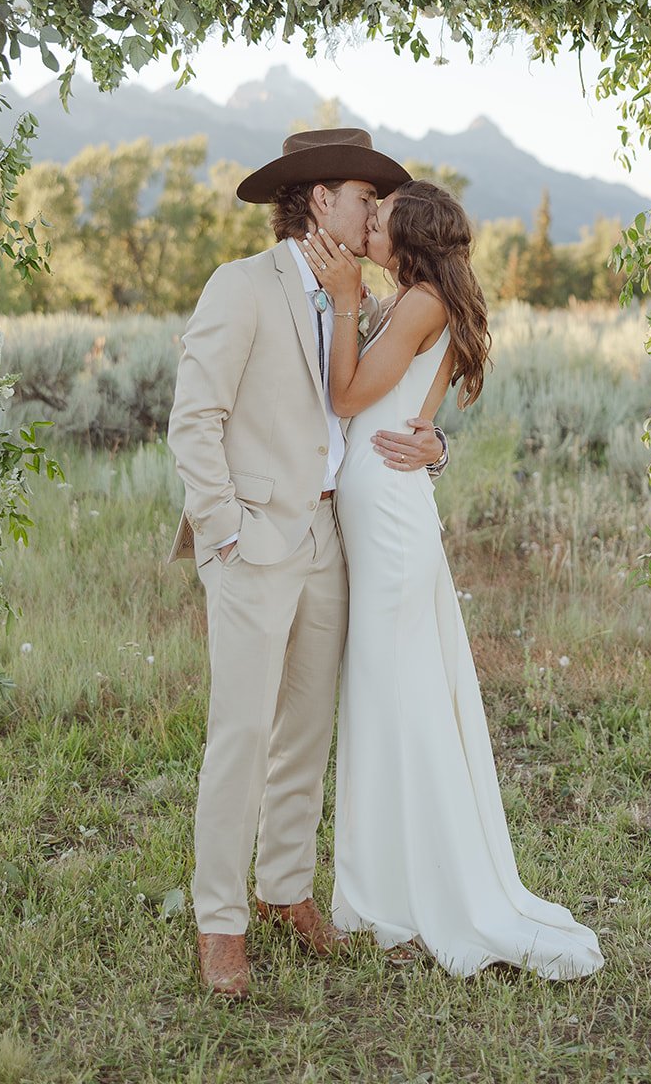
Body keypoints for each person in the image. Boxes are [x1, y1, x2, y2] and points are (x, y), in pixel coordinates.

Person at [166, 129, 448, 999]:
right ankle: (220, 922)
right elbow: (194, 420)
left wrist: (434, 447)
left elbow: (388, 395)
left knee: (305, 733)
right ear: (321, 200)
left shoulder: (357, 295)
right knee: (242, 734)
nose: (375, 217)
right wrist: (224, 534)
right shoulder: (241, 287)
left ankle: (285, 889)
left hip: (332, 540)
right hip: (253, 540)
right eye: (367, 199)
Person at [303, 179, 604, 981]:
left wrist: (341, 301)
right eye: (365, 212)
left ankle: (414, 887)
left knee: (394, 693)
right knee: (387, 693)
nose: (367, 223)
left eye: (380, 217)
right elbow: (400, 409)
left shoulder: (416, 302)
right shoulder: (412, 297)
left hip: (392, 515)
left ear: (408, 236)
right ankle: (386, 882)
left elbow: (343, 396)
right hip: (385, 501)